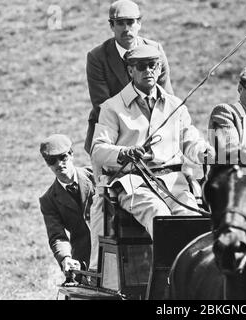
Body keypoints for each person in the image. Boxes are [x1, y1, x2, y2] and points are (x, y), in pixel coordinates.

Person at [91, 44, 214, 237]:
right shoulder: (112, 107)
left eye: (153, 65)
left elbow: (189, 140)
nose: (148, 70)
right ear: (131, 70)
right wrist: (124, 153)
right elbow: (98, 150)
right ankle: (169, 268)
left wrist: (203, 152)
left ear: (159, 69)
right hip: (134, 185)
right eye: (141, 66)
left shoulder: (176, 105)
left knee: (191, 220)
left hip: (174, 184)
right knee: (160, 217)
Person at [84, 0, 173, 154]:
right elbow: (101, 105)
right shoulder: (97, 57)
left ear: (139, 24)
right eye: (120, 23)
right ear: (111, 26)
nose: (126, 29)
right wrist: (135, 133)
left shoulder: (155, 49)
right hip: (113, 134)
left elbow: (167, 98)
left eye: (130, 22)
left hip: (155, 132)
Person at [39, 134, 95, 277]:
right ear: (47, 163)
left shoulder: (96, 176)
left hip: (115, 251)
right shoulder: (48, 200)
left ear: (71, 155)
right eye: (52, 161)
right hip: (83, 259)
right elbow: (57, 236)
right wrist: (66, 258)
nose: (59, 164)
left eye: (63, 157)